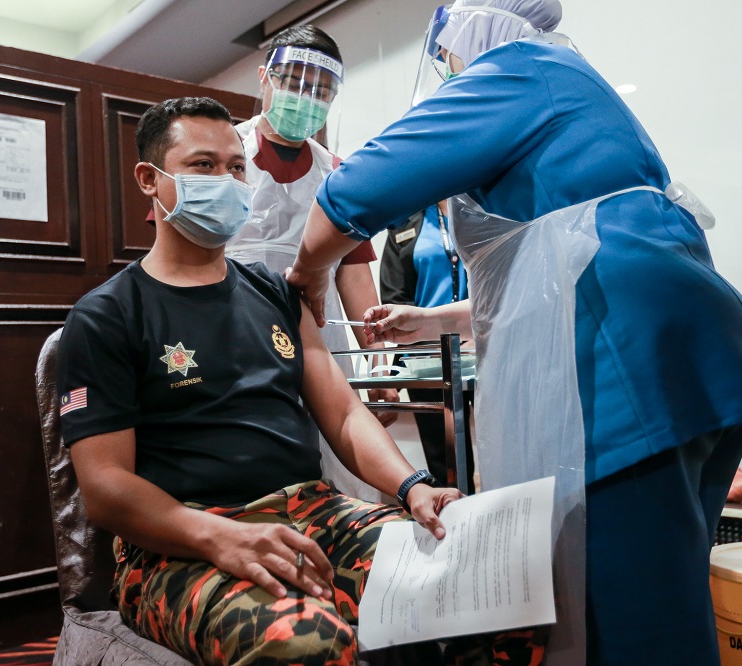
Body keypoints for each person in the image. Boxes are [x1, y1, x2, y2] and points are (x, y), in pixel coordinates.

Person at [283, 2, 742, 665]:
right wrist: (430, 319)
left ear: (474, 32)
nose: (447, 71)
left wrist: (304, 274)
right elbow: (541, 264)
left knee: (624, 609)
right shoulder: (570, 85)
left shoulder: (518, 71)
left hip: (620, 362)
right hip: (685, 356)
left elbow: (355, 191)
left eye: (447, 55)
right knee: (666, 583)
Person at [56, 96, 467, 665]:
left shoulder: (276, 292)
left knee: (468, 586)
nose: (225, 182)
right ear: (150, 180)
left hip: (313, 510)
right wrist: (221, 537)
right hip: (179, 544)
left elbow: (344, 415)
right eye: (203, 166)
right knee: (308, 642)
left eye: (235, 168)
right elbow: (104, 487)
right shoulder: (107, 315)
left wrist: (413, 486)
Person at [226, 25, 398, 427]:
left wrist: (377, 364)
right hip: (234, 332)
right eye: (294, 83)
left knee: (336, 450)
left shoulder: (337, 173)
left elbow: (354, 277)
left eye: (320, 92)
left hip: (325, 341)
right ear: (264, 77)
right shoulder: (220, 155)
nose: (306, 98)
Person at [379, 201, 473, 490]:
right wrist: (385, 366)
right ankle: (454, 524)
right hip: (426, 360)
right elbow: (394, 296)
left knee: (502, 445)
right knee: (445, 461)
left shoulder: (480, 209)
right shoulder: (405, 223)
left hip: (485, 351)